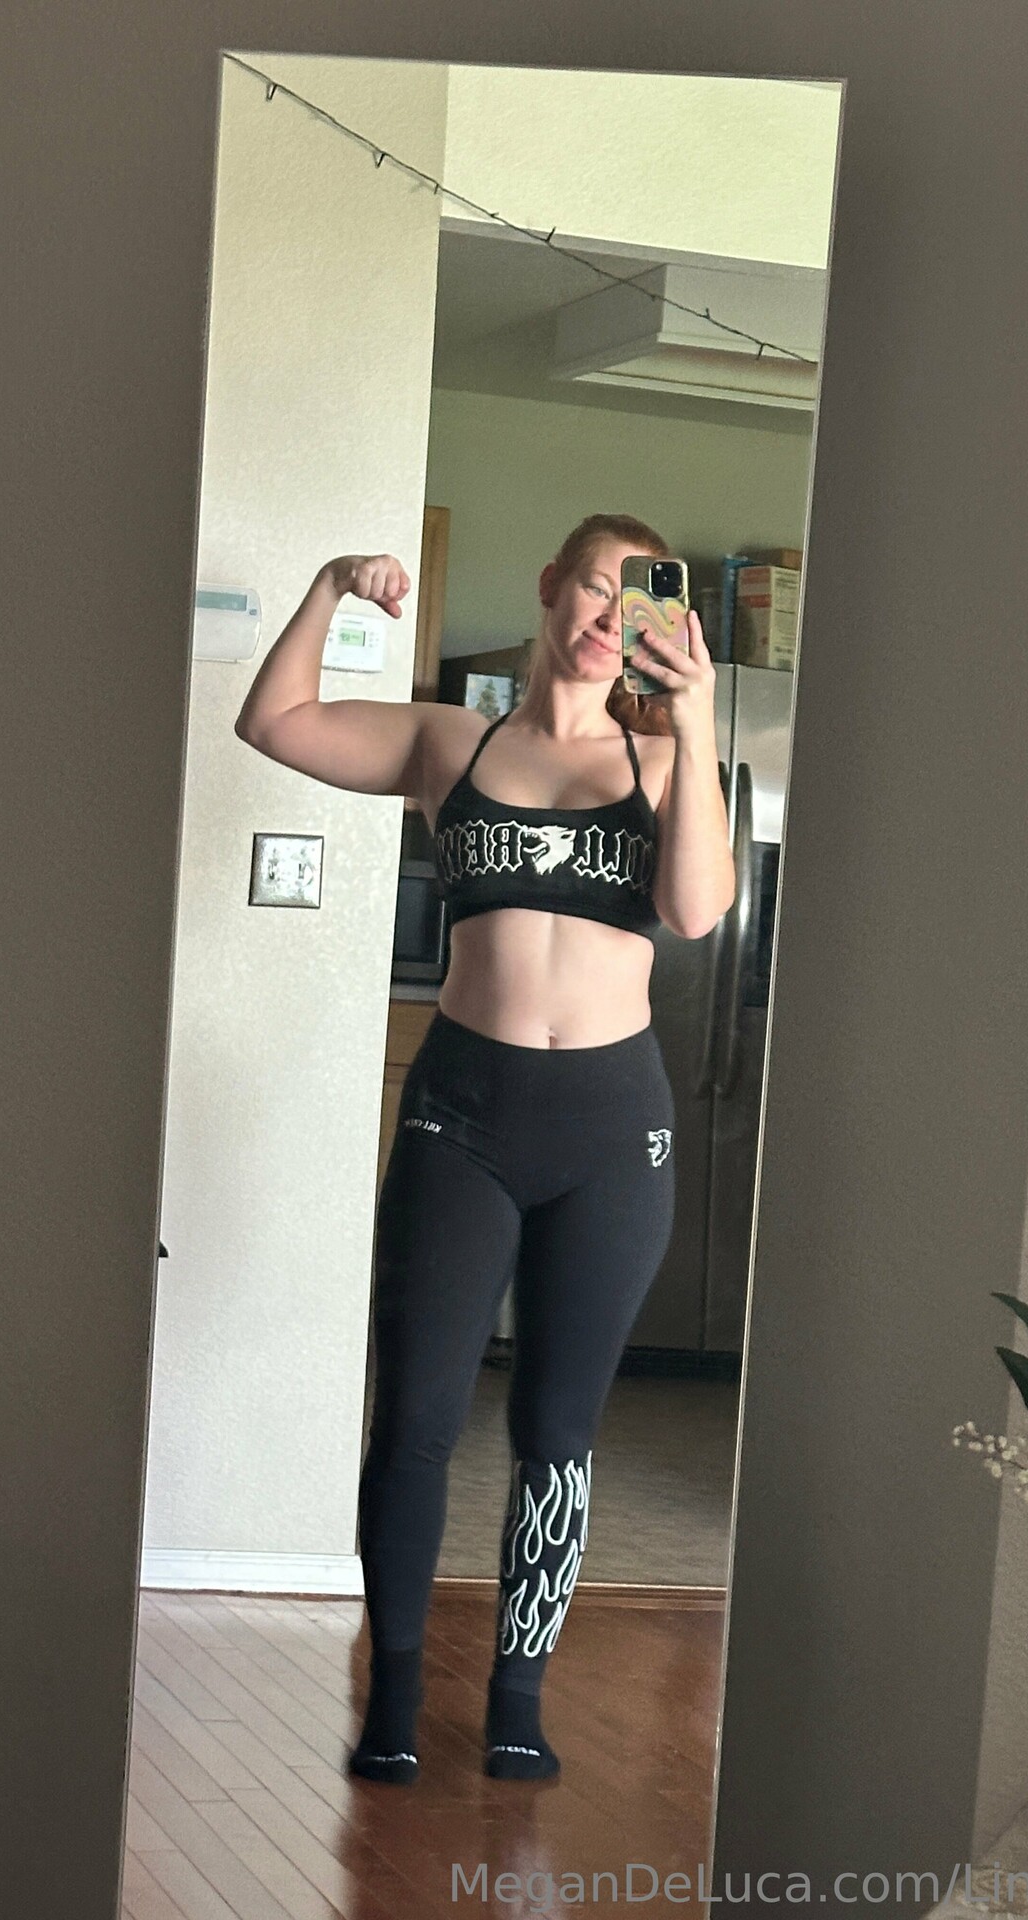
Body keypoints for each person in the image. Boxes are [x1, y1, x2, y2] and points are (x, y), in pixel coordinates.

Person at [234, 513, 735, 1785]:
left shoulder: (664, 760)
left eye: (636, 599)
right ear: (551, 586)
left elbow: (693, 912)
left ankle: (519, 1695)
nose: (607, 616)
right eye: (592, 587)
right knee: (416, 1416)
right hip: (463, 1116)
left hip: (612, 1133)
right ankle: (393, 1695)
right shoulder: (450, 742)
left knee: (558, 1432)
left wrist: (698, 721)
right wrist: (328, 585)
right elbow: (274, 722)